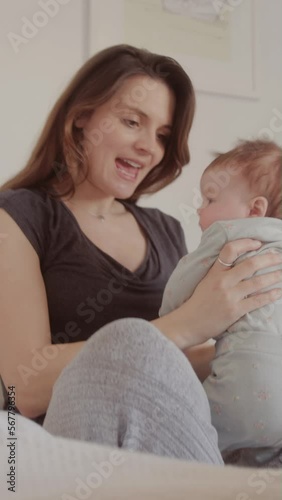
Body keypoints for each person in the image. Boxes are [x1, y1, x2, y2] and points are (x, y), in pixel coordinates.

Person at [0, 45, 281, 465]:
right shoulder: (19, 217)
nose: (150, 147)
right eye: (133, 122)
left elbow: (176, 365)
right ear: (81, 119)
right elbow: (22, 387)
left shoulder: (166, 230)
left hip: (162, 444)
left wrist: (256, 353)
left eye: (163, 136)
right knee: (128, 339)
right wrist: (191, 322)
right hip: (60, 453)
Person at [160, 139, 282, 465]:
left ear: (254, 210)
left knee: (184, 435)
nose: (200, 208)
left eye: (211, 198)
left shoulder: (228, 234)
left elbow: (183, 284)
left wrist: (170, 315)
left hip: (241, 391)